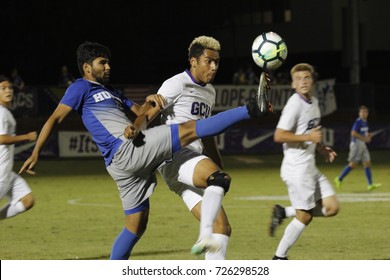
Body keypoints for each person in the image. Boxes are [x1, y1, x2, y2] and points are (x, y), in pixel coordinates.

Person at [19, 41, 272, 260]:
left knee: (135, 226)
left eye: (108, 63)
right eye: (102, 62)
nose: (107, 67)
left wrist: (152, 100)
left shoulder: (112, 94)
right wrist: (36, 151)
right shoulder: (81, 88)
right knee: (186, 129)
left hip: (124, 165)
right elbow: (54, 119)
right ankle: (250, 108)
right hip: (125, 152)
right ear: (87, 67)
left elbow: (142, 112)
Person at [156, 36, 230, 259]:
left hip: (188, 164)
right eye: (209, 61)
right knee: (218, 180)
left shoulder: (210, 92)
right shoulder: (176, 83)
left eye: (217, 62)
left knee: (223, 229)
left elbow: (205, 131)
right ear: (193, 61)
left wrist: (217, 162)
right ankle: (203, 235)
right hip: (175, 155)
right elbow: (149, 113)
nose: (214, 67)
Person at [270, 63, 339, 259]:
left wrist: (322, 148)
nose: (303, 82)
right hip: (297, 169)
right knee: (305, 216)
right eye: (299, 79)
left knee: (332, 207)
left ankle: (283, 211)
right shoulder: (294, 104)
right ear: (293, 84)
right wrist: (309, 139)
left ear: (313, 81)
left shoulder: (315, 102)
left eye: (307, 77)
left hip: (310, 166)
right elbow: (279, 135)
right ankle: (279, 257)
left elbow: (312, 132)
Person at [0, 75, 37, 219]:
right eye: (3, 88)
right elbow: (1, 139)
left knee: (27, 200)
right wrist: (26, 137)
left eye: (9, 87)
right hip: (1, 173)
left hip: (7, 172)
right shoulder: (1, 113)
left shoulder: (5, 112)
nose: (8, 91)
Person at [334, 105, 381, 191]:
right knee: (353, 165)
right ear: (359, 113)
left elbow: (363, 132)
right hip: (356, 145)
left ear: (367, 113)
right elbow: (353, 133)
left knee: (367, 163)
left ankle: (370, 184)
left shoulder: (365, 122)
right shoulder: (358, 122)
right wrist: (365, 138)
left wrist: (368, 135)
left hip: (362, 145)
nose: (364, 113)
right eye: (362, 112)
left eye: (365, 112)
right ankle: (339, 179)